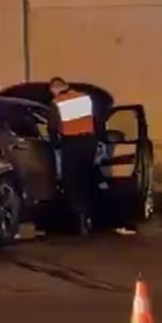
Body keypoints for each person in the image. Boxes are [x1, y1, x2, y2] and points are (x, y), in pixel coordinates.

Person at [48, 77, 98, 235]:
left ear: (55, 89)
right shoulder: (84, 97)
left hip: (71, 144)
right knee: (87, 178)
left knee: (72, 181)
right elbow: (96, 119)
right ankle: (90, 216)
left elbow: (53, 127)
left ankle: (80, 218)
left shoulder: (57, 102)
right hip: (89, 142)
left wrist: (54, 145)